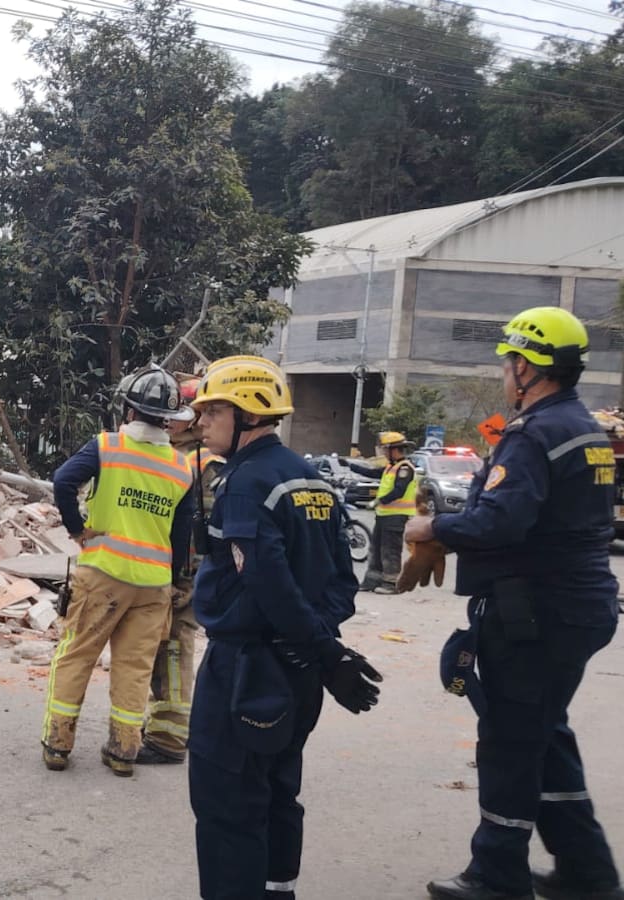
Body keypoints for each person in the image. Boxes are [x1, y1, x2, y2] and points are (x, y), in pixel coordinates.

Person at [404, 307, 622, 900]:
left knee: (509, 741)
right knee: (544, 734)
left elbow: (500, 521)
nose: (504, 371)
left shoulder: (534, 434)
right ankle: (587, 872)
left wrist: (433, 527)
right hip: (577, 606)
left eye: (508, 362)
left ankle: (497, 875)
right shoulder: (584, 429)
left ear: (527, 367)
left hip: (536, 614)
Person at [187, 355, 382, 899]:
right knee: (277, 792)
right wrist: (321, 649)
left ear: (248, 414)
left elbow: (267, 584)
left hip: (247, 668)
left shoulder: (246, 484)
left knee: (228, 801)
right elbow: (343, 580)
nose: (202, 422)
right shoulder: (310, 479)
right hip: (297, 671)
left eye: (213, 411)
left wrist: (321, 650)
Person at [42, 363, 195, 778]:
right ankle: (124, 752)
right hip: (153, 586)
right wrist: (175, 580)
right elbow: (181, 535)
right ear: (168, 419)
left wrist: (77, 529)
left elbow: (63, 481)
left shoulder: (107, 446)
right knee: (134, 668)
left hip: (104, 574)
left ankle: (58, 744)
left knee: (76, 656)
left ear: (129, 410)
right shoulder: (182, 468)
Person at [136, 376, 227, 766]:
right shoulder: (181, 456)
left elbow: (197, 529)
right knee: (165, 648)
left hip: (182, 576)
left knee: (173, 648)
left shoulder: (200, 463)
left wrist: (183, 580)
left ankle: (169, 736)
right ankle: (165, 724)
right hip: (170, 571)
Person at [344, 431, 417, 593]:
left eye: (385, 449)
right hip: (383, 515)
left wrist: (378, 501)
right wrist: (349, 465)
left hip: (396, 516)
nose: (383, 452)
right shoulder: (390, 467)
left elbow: (399, 491)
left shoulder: (405, 468)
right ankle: (372, 580)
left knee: (390, 550)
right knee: (376, 549)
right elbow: (371, 473)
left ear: (394, 449)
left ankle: (391, 583)